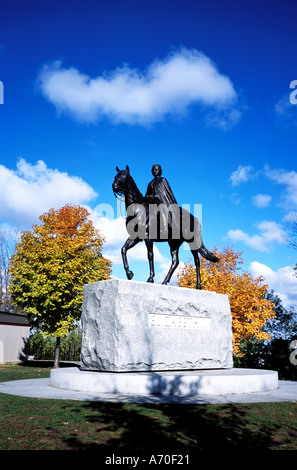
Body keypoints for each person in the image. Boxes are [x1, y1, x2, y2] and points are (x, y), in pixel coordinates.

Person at [144, 164, 179, 239]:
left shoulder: (163, 180)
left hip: (162, 202)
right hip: (152, 204)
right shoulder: (150, 184)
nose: (155, 171)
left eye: (156, 170)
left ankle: (165, 228)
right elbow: (146, 195)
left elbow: (168, 193)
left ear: (160, 171)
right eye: (153, 170)